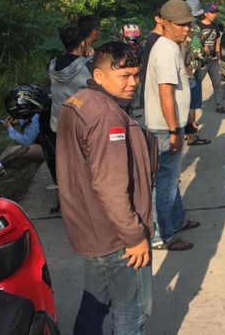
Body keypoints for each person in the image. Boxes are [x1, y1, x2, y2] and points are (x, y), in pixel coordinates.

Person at [56, 42, 153, 335]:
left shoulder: (78, 101)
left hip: (92, 228)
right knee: (132, 311)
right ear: (98, 75)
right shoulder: (107, 115)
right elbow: (110, 184)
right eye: (123, 76)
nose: (132, 83)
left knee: (96, 301)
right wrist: (134, 235)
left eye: (135, 75)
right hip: (116, 236)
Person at [144, 0, 199, 251]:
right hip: (164, 128)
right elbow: (165, 92)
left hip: (169, 125)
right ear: (164, 23)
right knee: (164, 185)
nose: (186, 29)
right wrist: (175, 129)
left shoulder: (170, 45)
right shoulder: (166, 50)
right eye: (180, 25)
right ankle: (161, 236)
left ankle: (176, 221)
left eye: (188, 24)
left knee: (171, 179)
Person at [48, 24, 92, 133]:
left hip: (58, 125)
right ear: (82, 43)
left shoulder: (51, 65)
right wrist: (90, 59)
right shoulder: (89, 66)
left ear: (63, 43)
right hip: (81, 125)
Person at [0, 84, 49, 174]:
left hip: (50, 149)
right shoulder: (39, 111)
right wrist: (19, 122)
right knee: (14, 143)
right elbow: (30, 121)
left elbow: (27, 141)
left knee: (13, 150)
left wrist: (10, 129)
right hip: (49, 144)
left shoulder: (38, 116)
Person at [184, 0, 211, 146]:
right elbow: (196, 51)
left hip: (180, 69)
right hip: (192, 70)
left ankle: (183, 132)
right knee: (192, 104)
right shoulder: (194, 28)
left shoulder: (178, 26)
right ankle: (192, 135)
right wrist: (205, 52)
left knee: (182, 103)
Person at [197, 3, 225, 114]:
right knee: (196, 83)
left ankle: (220, 105)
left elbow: (217, 40)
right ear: (205, 13)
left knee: (217, 83)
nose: (214, 15)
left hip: (213, 60)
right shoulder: (198, 26)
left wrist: (217, 52)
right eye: (212, 12)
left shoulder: (215, 27)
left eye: (215, 12)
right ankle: (193, 105)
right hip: (201, 60)